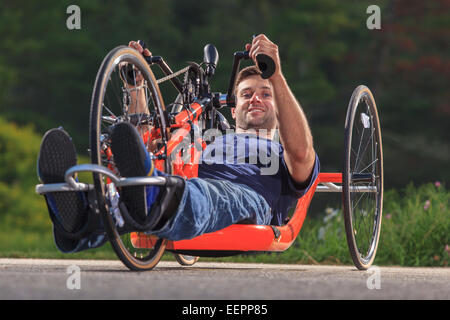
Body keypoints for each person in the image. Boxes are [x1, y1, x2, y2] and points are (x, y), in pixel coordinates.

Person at [37, 34, 320, 253]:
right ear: (233, 109)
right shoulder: (211, 140)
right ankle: (76, 221)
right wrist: (135, 84)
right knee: (161, 169)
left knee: (209, 193)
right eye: (246, 94)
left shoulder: (282, 152)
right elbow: (147, 150)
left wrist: (276, 75)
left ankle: (152, 194)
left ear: (279, 106)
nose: (255, 98)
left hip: (247, 197)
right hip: (178, 180)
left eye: (265, 94)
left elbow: (301, 153)